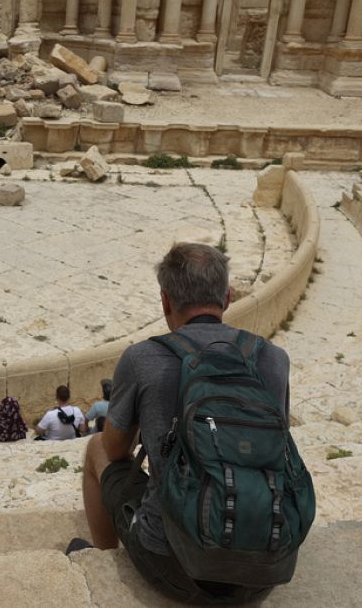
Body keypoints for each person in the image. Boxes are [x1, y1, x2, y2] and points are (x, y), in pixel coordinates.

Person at [75, 243, 292, 604]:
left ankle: (103, 559)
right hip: (264, 572)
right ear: (227, 296)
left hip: (175, 569)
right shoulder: (273, 359)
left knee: (96, 448)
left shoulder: (143, 358)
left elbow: (115, 450)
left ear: (165, 300)